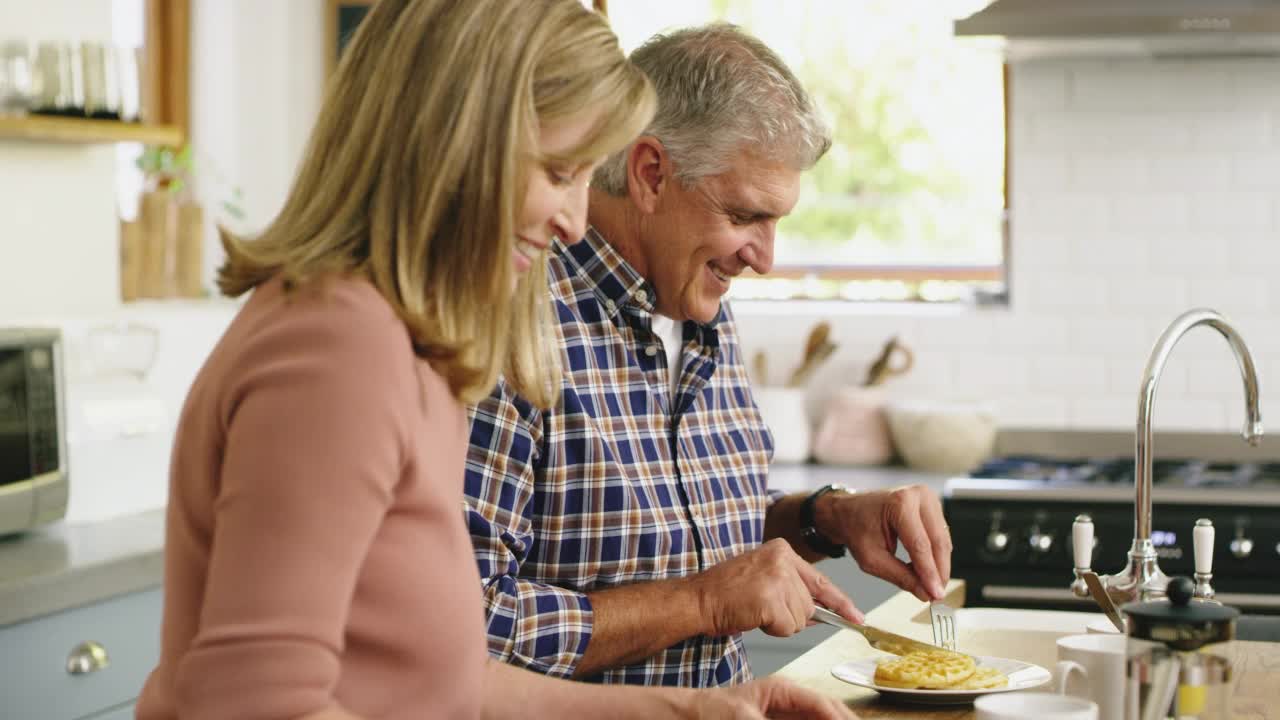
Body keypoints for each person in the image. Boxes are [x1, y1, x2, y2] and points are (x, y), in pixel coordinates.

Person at [135, 2, 856, 718]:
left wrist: (693, 713)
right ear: (453, 142)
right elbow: (255, 706)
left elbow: (450, 684)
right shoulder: (338, 348)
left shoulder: (417, 342)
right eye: (557, 171)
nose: (575, 219)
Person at [465, 23, 952, 687]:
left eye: (776, 221)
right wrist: (702, 602)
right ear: (651, 174)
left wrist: (828, 517)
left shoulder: (700, 302)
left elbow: (701, 521)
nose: (766, 258)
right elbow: (470, 623)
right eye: (747, 215)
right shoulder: (509, 323)